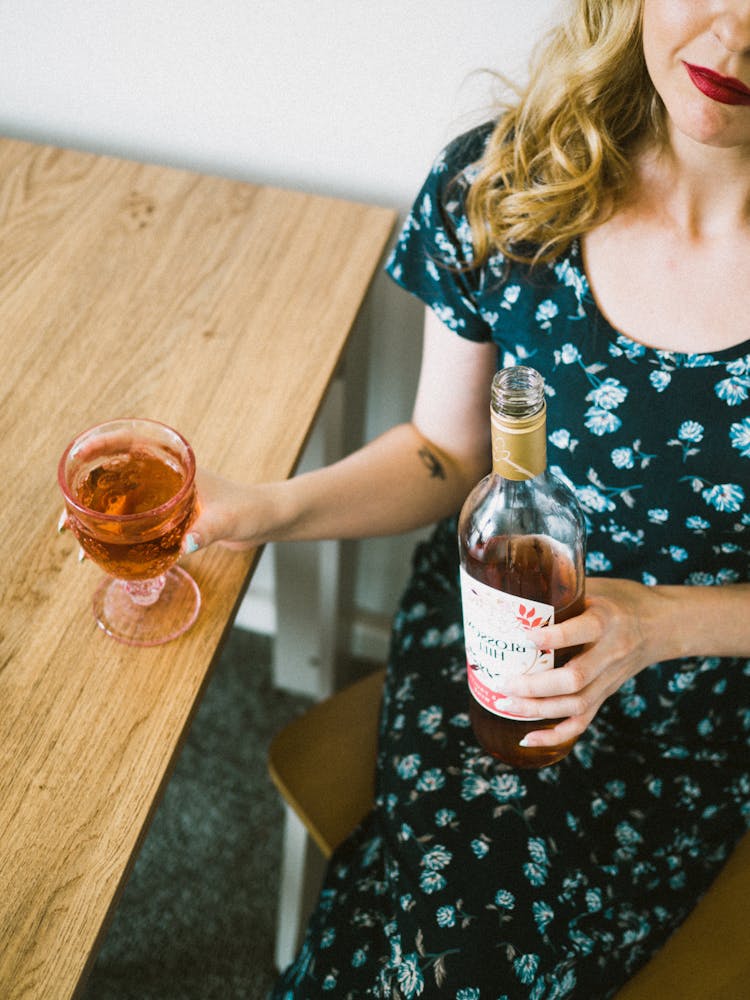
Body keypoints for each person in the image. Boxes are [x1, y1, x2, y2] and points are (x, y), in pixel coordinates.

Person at [187, 1, 750, 995]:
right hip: (490, 643)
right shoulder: (511, 181)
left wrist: (654, 624)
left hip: (696, 710)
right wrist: (263, 509)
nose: (735, 35)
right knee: (446, 931)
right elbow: (442, 457)